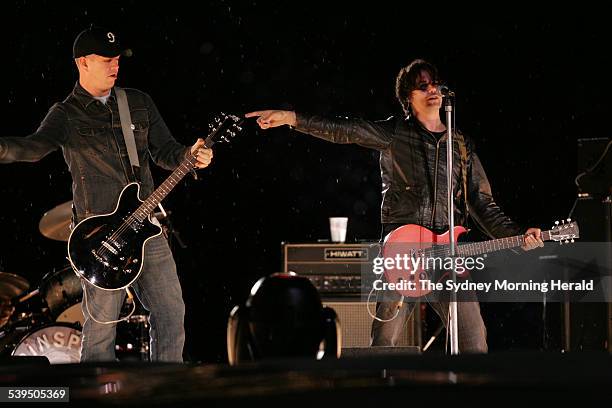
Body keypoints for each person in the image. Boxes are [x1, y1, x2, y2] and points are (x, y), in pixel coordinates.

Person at [245, 59, 543, 352]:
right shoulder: (395, 133)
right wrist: (292, 118)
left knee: (473, 342)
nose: (432, 89)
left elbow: (482, 203)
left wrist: (518, 235)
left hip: (448, 258)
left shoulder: (461, 145)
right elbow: (346, 130)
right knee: (384, 345)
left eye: (434, 83)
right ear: (407, 98)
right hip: (403, 253)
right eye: (422, 85)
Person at [0, 26, 213, 362]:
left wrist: (193, 153)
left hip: (145, 228)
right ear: (82, 63)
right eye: (105, 60)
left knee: (172, 314)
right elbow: (32, 148)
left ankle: (167, 388)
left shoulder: (138, 102)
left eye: (116, 59)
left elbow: (167, 152)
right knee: (100, 332)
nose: (115, 65)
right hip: (98, 237)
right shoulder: (66, 114)